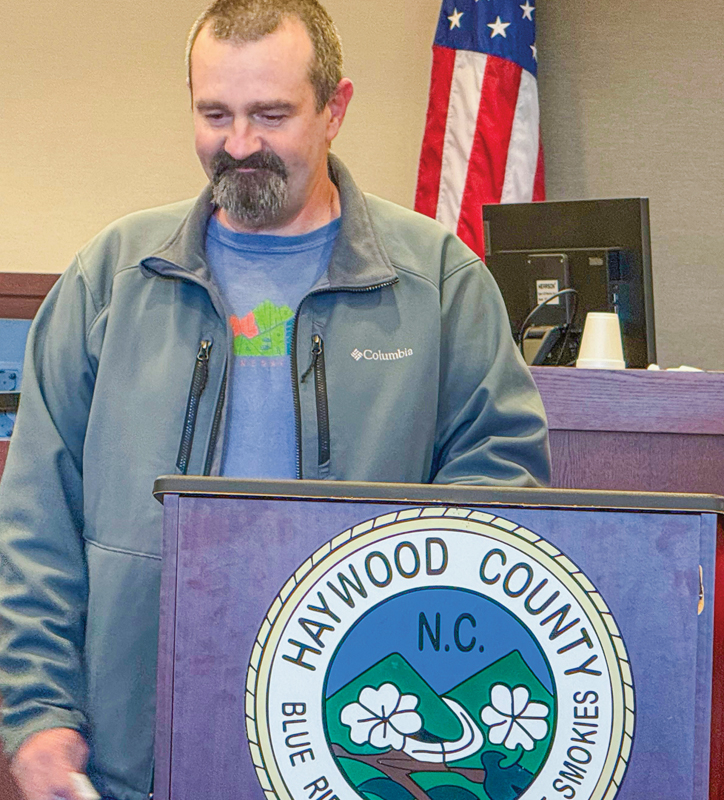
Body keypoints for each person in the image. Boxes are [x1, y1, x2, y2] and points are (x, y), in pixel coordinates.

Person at [0, 2, 550, 799]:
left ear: (336, 109)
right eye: (214, 113)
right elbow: (36, 520)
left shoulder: (438, 282)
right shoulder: (111, 278)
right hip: (134, 753)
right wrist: (38, 709)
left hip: (362, 743)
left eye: (272, 114)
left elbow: (499, 504)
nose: (240, 145)